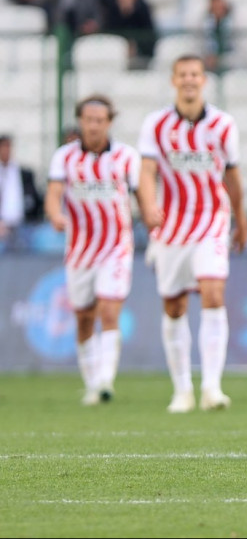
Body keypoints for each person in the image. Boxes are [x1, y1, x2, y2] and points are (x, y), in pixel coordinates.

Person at [137, 53, 247, 413]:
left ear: (204, 80)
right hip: (171, 226)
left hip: (211, 220)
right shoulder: (155, 125)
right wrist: (148, 205)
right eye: (182, 74)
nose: (189, 80)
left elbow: (232, 175)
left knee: (213, 293)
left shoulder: (222, 124)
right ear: (173, 80)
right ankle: (182, 389)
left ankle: (212, 388)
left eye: (195, 74)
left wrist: (241, 220)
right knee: (174, 305)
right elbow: (146, 171)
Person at [43, 94, 158, 405]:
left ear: (109, 123)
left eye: (100, 121)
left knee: (109, 311)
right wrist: (55, 215)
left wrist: (155, 230)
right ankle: (92, 381)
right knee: (83, 317)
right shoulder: (64, 157)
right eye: (88, 120)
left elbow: (143, 199)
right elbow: (54, 194)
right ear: (81, 121)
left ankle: (106, 379)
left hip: (115, 247)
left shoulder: (126, 157)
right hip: (80, 250)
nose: (93, 126)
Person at [101, 0, 158, 69]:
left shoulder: (142, 8)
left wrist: (132, 12)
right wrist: (123, 13)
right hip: (117, 53)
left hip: (141, 55)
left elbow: (149, 34)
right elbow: (109, 33)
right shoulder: (112, 9)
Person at [0, 134, 43, 242]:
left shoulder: (23, 173)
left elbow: (34, 197)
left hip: (23, 225)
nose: (6, 150)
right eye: (3, 147)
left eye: (8, 146)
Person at [201, 0, 234, 74]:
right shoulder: (205, 23)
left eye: (219, 3)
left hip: (231, 62)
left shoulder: (234, 22)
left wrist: (220, 59)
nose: (217, 7)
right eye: (214, 4)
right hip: (209, 63)